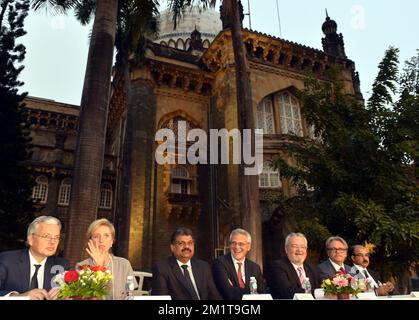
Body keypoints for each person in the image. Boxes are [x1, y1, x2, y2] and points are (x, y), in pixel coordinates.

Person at [0, 216, 69, 299]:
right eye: (47, 236)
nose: (53, 242)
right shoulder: (7, 260)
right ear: (30, 239)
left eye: (57, 237)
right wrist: (20, 297)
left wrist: (64, 295)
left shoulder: (61, 265)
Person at [152, 227, 221, 300]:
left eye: (190, 243)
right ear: (172, 247)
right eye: (181, 243)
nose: (187, 246)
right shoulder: (162, 268)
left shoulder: (204, 267)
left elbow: (215, 296)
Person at [76, 218, 137, 300]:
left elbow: (131, 295)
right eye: (96, 236)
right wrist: (99, 267)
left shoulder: (124, 264)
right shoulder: (82, 266)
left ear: (112, 241)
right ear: (90, 241)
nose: (101, 240)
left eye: (106, 236)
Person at [212, 228, 267, 299]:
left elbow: (263, 293)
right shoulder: (220, 263)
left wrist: (235, 289)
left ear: (248, 247)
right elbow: (228, 293)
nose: (237, 247)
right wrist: (253, 292)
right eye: (233, 243)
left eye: (241, 244)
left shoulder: (254, 267)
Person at [269, 232, 320, 299]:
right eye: (294, 246)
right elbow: (287, 292)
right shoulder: (278, 267)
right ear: (286, 249)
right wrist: (315, 294)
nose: (299, 250)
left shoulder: (312, 268)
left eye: (302, 247)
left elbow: (320, 288)